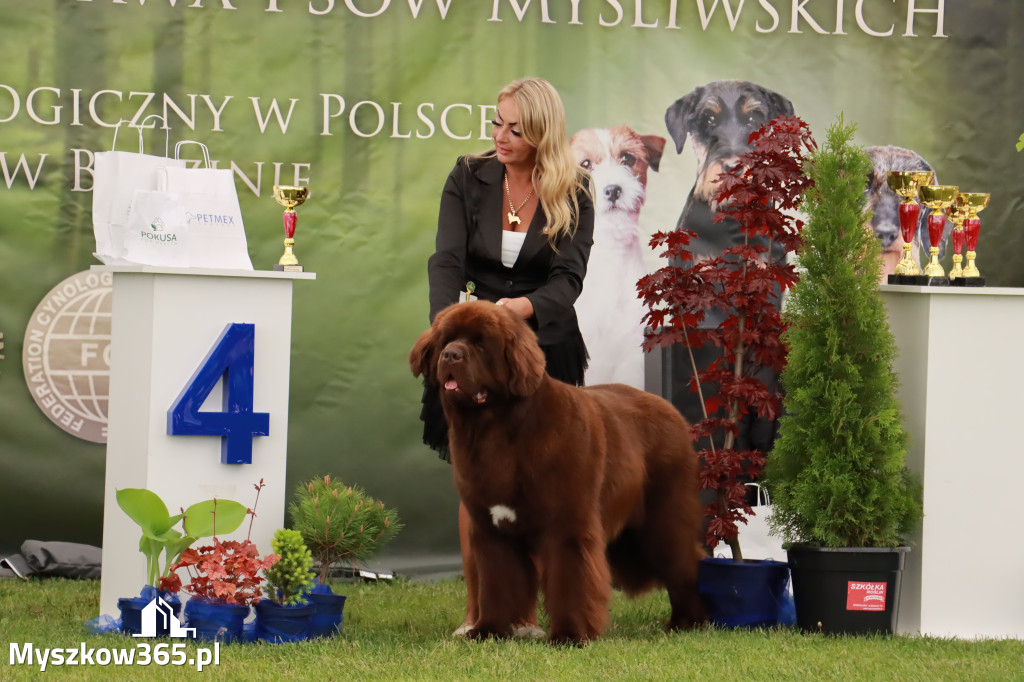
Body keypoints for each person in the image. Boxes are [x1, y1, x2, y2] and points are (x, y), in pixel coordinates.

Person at [419, 77, 594, 637]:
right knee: (478, 489)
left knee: (544, 491)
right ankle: (483, 614)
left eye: (517, 128)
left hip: (543, 354)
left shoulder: (577, 188)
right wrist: (451, 327)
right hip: (474, 354)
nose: (501, 135)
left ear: (544, 132)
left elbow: (567, 281)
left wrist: (509, 312)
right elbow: (446, 260)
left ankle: (534, 613)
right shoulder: (468, 177)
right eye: (497, 122)